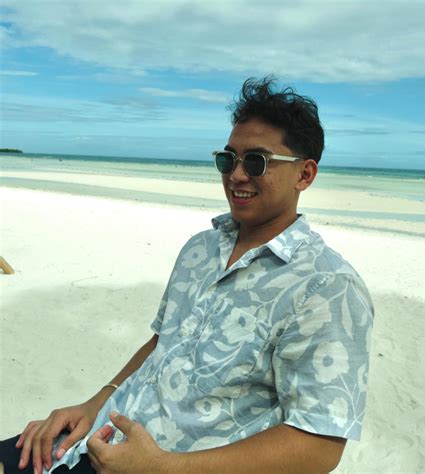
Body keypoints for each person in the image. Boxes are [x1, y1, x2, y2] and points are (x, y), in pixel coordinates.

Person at [0, 77, 374, 474]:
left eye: (257, 161)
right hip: (98, 436)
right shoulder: (201, 249)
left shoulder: (327, 286)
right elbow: (163, 342)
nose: (237, 175)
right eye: (228, 159)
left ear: (305, 174)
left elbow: (319, 445)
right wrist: (94, 405)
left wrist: (162, 467)